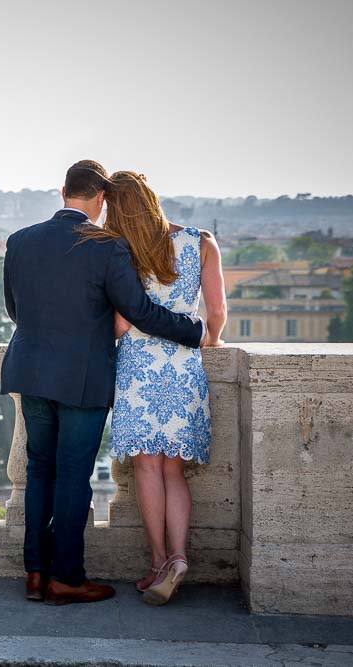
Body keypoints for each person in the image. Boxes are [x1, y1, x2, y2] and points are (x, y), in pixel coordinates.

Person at [1, 160, 205, 605]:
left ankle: (35, 572)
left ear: (63, 192)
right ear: (100, 199)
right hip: (82, 378)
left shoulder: (20, 241)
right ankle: (67, 578)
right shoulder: (106, 246)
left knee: (40, 471)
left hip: (30, 371)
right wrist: (193, 331)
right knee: (73, 475)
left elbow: (15, 311)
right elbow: (138, 311)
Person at [79, 171, 226, 605]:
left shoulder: (121, 251)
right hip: (184, 369)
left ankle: (159, 563)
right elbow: (216, 312)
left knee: (148, 468)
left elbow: (122, 324)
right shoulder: (201, 241)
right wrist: (211, 343)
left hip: (140, 372)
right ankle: (179, 557)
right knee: (173, 471)